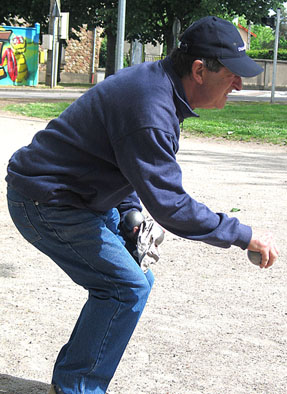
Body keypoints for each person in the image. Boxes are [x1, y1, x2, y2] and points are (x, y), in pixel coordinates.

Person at [6, 16, 278, 394]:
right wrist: (244, 235)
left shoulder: (158, 86)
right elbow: (171, 206)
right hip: (46, 200)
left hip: (78, 196)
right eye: (233, 74)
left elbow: (120, 159)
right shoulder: (151, 107)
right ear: (199, 70)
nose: (239, 83)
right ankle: (76, 387)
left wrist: (128, 212)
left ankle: (74, 380)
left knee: (134, 282)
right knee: (125, 288)